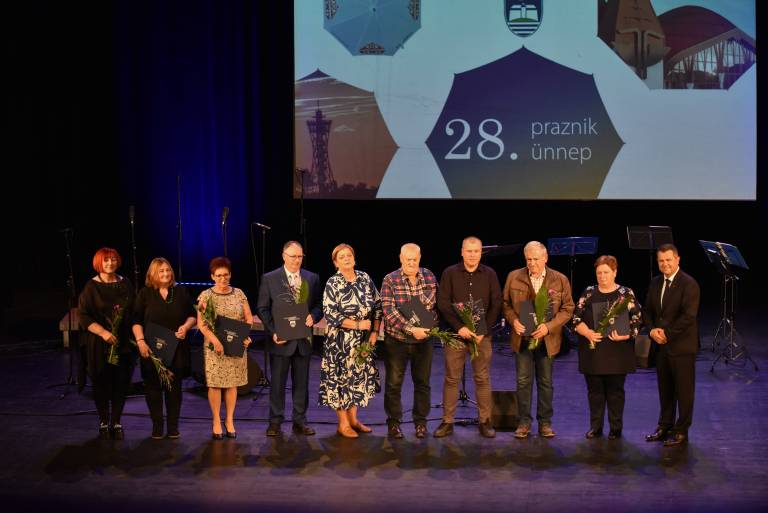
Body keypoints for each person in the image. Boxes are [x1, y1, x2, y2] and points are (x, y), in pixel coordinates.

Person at [502, 241, 574, 439]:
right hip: (522, 339)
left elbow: (568, 308)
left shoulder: (559, 279)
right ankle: (523, 422)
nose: (532, 263)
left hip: (547, 339)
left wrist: (549, 327)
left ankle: (545, 423)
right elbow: (505, 304)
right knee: (523, 381)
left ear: (545, 258)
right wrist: (514, 321)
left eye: (535, 259)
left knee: (545, 382)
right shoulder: (514, 276)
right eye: (528, 259)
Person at [434, 236, 502, 439]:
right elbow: (443, 303)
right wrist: (460, 327)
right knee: (451, 378)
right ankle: (447, 422)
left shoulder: (490, 274)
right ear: (462, 252)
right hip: (456, 335)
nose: (472, 255)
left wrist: (484, 330)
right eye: (469, 251)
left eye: (476, 251)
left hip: (482, 336)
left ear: (481, 253)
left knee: (482, 378)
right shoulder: (449, 273)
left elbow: (496, 303)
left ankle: (485, 421)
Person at [256, 241, 323, 437]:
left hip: (303, 340)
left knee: (301, 384)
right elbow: (262, 308)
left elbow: (319, 304)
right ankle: (275, 422)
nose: (297, 260)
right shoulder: (270, 278)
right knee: (277, 384)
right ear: (284, 256)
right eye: (293, 256)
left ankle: (299, 421)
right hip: (281, 340)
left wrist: (314, 316)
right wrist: (273, 331)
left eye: (300, 256)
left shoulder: (312, 278)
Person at [572, 255, 642, 440]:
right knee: (594, 392)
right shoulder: (588, 292)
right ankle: (595, 427)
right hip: (593, 351)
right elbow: (576, 319)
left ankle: (616, 428)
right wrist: (587, 332)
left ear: (615, 272)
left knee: (615, 392)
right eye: (599, 273)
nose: (602, 276)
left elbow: (637, 319)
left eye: (606, 272)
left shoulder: (626, 293)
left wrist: (627, 334)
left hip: (618, 352)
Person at [319, 243, 381, 438]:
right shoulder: (333, 283)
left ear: (354, 258)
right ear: (335, 263)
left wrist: (374, 332)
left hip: (363, 341)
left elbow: (378, 305)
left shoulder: (364, 278)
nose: (346, 258)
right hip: (339, 343)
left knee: (357, 379)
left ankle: (353, 420)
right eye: (341, 256)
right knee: (340, 381)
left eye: (349, 255)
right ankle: (343, 423)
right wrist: (356, 325)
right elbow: (330, 314)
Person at [131, 258, 196, 439]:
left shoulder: (180, 292)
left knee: (174, 389)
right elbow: (136, 320)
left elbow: (192, 315)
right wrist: (140, 341)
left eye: (168, 270)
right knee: (153, 388)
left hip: (176, 348)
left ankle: (173, 427)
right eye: (161, 271)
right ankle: (157, 426)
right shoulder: (145, 294)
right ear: (153, 274)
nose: (166, 273)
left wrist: (186, 327)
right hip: (151, 348)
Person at [643, 243, 700, 446]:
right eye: (661, 261)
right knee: (665, 390)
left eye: (668, 259)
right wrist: (652, 331)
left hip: (682, 347)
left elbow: (688, 317)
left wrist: (666, 334)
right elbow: (647, 311)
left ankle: (681, 430)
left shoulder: (689, 284)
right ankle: (664, 426)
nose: (665, 264)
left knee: (684, 392)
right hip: (661, 347)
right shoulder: (655, 282)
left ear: (677, 259)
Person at [380, 243, 438, 439]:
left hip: (424, 341)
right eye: (407, 259)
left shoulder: (429, 276)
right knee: (394, 384)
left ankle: (420, 423)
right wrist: (412, 329)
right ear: (401, 258)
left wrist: (430, 326)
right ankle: (394, 424)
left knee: (423, 383)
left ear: (419, 258)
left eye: (414, 259)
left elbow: (435, 306)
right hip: (397, 340)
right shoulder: (390, 279)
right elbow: (389, 311)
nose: (411, 263)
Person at [77, 247, 136, 440]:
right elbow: (83, 315)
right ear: (99, 263)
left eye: (113, 259)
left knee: (121, 382)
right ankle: (103, 420)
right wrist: (103, 333)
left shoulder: (125, 283)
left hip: (122, 341)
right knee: (101, 382)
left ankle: (116, 421)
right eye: (106, 260)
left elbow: (133, 310)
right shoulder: (91, 287)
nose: (110, 263)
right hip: (99, 343)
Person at [196, 257, 254, 440]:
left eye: (226, 275)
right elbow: (202, 324)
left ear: (230, 275)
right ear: (212, 276)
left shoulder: (239, 293)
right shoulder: (206, 296)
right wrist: (216, 342)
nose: (223, 278)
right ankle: (216, 420)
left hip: (235, 345)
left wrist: (245, 336)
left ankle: (229, 420)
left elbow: (249, 318)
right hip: (215, 348)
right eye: (219, 275)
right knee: (215, 384)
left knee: (231, 384)